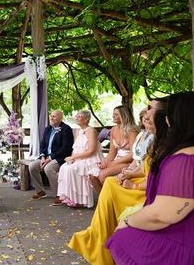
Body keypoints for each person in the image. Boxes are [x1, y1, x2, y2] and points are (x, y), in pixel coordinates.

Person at [69, 99, 168, 265]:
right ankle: (96, 233)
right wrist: (121, 170)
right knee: (104, 179)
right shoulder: (149, 137)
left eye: (150, 110)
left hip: (144, 187)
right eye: (145, 111)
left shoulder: (156, 141)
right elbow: (142, 166)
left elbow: (153, 176)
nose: (145, 114)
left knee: (108, 181)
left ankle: (96, 237)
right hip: (134, 171)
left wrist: (131, 181)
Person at [106, 92, 194, 264]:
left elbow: (161, 215)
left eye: (170, 114)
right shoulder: (178, 150)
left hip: (183, 240)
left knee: (120, 239)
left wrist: (127, 222)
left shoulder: (185, 160)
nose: (166, 118)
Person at [57, 110, 104, 208]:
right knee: (64, 167)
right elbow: (76, 148)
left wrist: (74, 157)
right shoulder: (78, 131)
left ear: (86, 119)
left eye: (79, 116)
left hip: (90, 159)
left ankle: (81, 200)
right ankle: (71, 197)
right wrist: (72, 158)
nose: (76, 117)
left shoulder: (91, 131)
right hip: (79, 158)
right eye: (77, 116)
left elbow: (91, 151)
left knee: (73, 169)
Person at [89, 105, 138, 193]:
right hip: (117, 160)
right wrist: (105, 161)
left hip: (129, 162)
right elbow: (112, 152)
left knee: (102, 175)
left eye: (116, 114)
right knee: (92, 176)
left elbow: (133, 154)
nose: (113, 116)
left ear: (124, 116)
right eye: (113, 114)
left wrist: (114, 162)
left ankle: (113, 199)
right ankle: (103, 201)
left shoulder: (132, 130)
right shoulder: (113, 129)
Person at [29, 110, 74, 205]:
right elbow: (42, 145)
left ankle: (59, 195)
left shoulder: (66, 129)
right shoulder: (48, 129)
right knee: (32, 166)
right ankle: (40, 191)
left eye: (54, 116)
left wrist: (50, 157)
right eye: (51, 116)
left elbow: (66, 148)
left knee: (48, 168)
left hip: (60, 157)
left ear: (60, 118)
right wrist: (42, 157)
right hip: (46, 157)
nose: (51, 118)